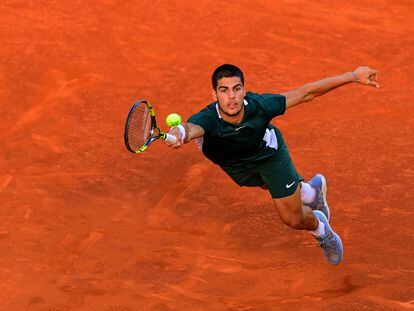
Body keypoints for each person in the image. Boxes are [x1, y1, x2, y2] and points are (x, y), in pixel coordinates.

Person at [165, 64, 379, 265]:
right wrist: (179, 134)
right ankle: (311, 193)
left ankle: (322, 229)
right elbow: (189, 129)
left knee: (293, 219)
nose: (231, 97)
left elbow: (307, 93)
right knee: (266, 185)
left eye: (236, 89)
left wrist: (352, 76)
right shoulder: (207, 119)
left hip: (269, 157)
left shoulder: (260, 106)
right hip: (237, 165)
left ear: (244, 91)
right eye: (224, 90)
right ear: (214, 95)